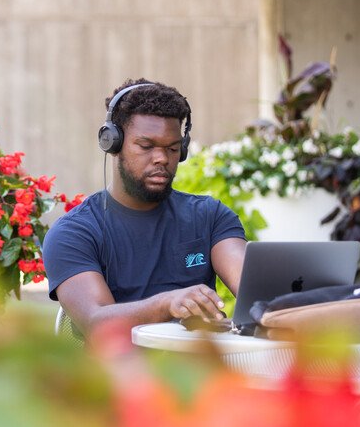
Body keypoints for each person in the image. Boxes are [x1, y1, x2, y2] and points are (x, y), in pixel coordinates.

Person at [42, 79, 248, 337]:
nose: (162, 158)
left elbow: (253, 289)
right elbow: (96, 322)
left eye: (173, 148)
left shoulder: (210, 217)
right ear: (113, 144)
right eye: (146, 146)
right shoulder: (75, 233)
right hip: (117, 374)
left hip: (199, 371)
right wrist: (168, 303)